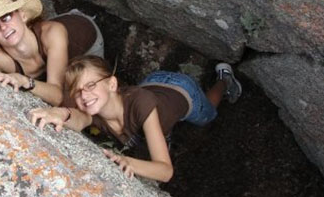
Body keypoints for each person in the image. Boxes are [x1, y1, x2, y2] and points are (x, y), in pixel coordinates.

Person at [29, 55, 242, 182]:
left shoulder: (141, 104)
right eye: (77, 91)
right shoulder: (95, 108)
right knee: (155, 131)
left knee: (208, 114)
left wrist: (128, 161)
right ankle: (162, 132)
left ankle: (225, 81)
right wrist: (60, 113)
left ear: (112, 84)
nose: (84, 95)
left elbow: (165, 171)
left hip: (181, 90)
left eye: (91, 85)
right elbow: (79, 118)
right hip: (150, 83)